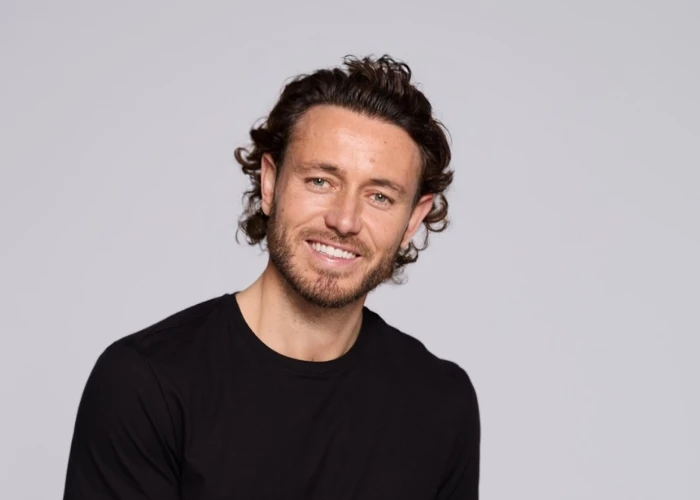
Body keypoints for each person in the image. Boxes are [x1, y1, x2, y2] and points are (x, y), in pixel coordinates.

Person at [63, 55, 481, 499]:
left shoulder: (440, 403)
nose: (344, 220)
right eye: (320, 181)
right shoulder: (146, 384)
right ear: (269, 183)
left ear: (413, 219)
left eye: (379, 196)